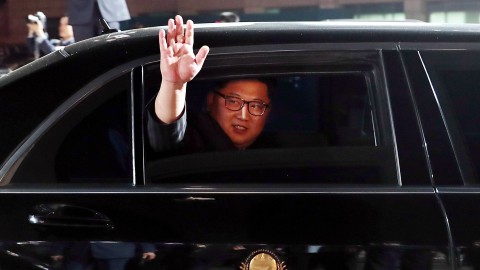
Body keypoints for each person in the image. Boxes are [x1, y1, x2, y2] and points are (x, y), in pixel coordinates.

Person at [147, 15, 272, 154]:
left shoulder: (276, 151)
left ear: (268, 111)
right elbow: (166, 140)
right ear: (210, 100)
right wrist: (174, 85)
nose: (243, 116)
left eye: (255, 106)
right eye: (233, 101)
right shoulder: (195, 138)